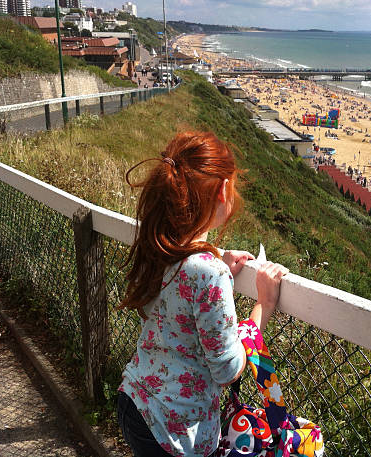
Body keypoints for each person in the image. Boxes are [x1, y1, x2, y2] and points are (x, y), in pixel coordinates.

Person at [116, 131, 289, 457]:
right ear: (223, 191)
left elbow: (178, 296)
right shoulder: (207, 271)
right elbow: (227, 369)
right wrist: (264, 305)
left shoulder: (164, 244)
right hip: (173, 428)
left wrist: (217, 259)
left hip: (136, 401)